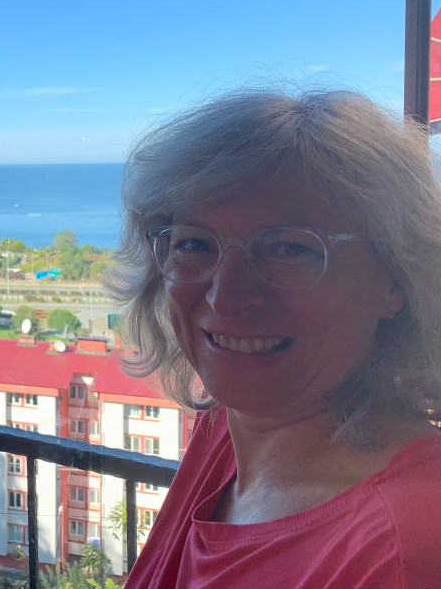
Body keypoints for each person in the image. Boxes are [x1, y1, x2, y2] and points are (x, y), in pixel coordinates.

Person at [109, 88, 441, 588]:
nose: (225, 297)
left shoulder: (404, 550)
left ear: (395, 278)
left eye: (290, 249)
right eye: (194, 243)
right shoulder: (231, 425)